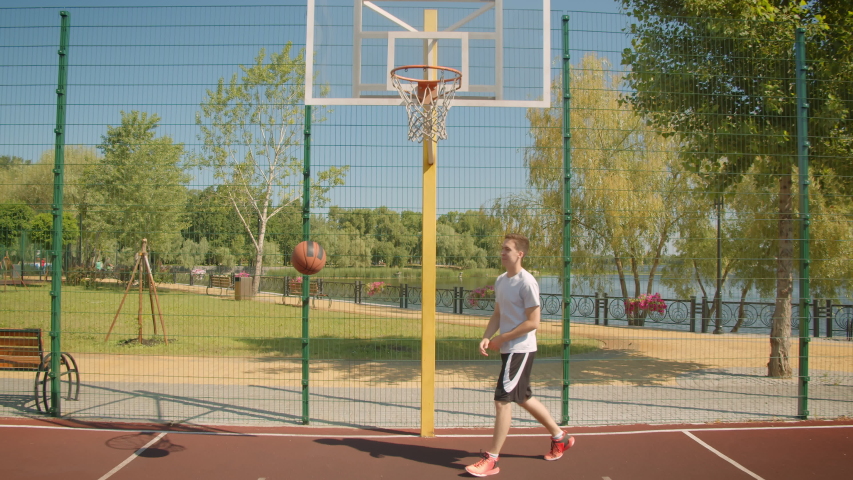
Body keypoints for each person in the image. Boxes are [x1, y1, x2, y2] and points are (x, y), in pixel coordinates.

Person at [465, 233, 574, 477]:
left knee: (502, 400)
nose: (502, 253)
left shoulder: (527, 282)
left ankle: (491, 459)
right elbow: (497, 314)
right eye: (502, 249)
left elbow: (534, 322)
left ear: (519, 254)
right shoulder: (502, 280)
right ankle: (561, 437)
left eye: (506, 249)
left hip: (520, 349)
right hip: (509, 348)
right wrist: (487, 336)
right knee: (522, 397)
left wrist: (502, 338)